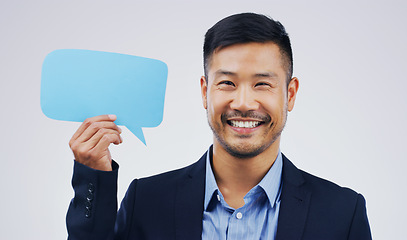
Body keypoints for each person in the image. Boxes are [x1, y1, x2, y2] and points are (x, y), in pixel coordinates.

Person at [66, 13, 372, 240]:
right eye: (227, 83)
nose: (243, 102)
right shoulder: (146, 201)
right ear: (205, 91)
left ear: (289, 94)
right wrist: (93, 175)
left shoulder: (342, 214)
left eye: (262, 84)